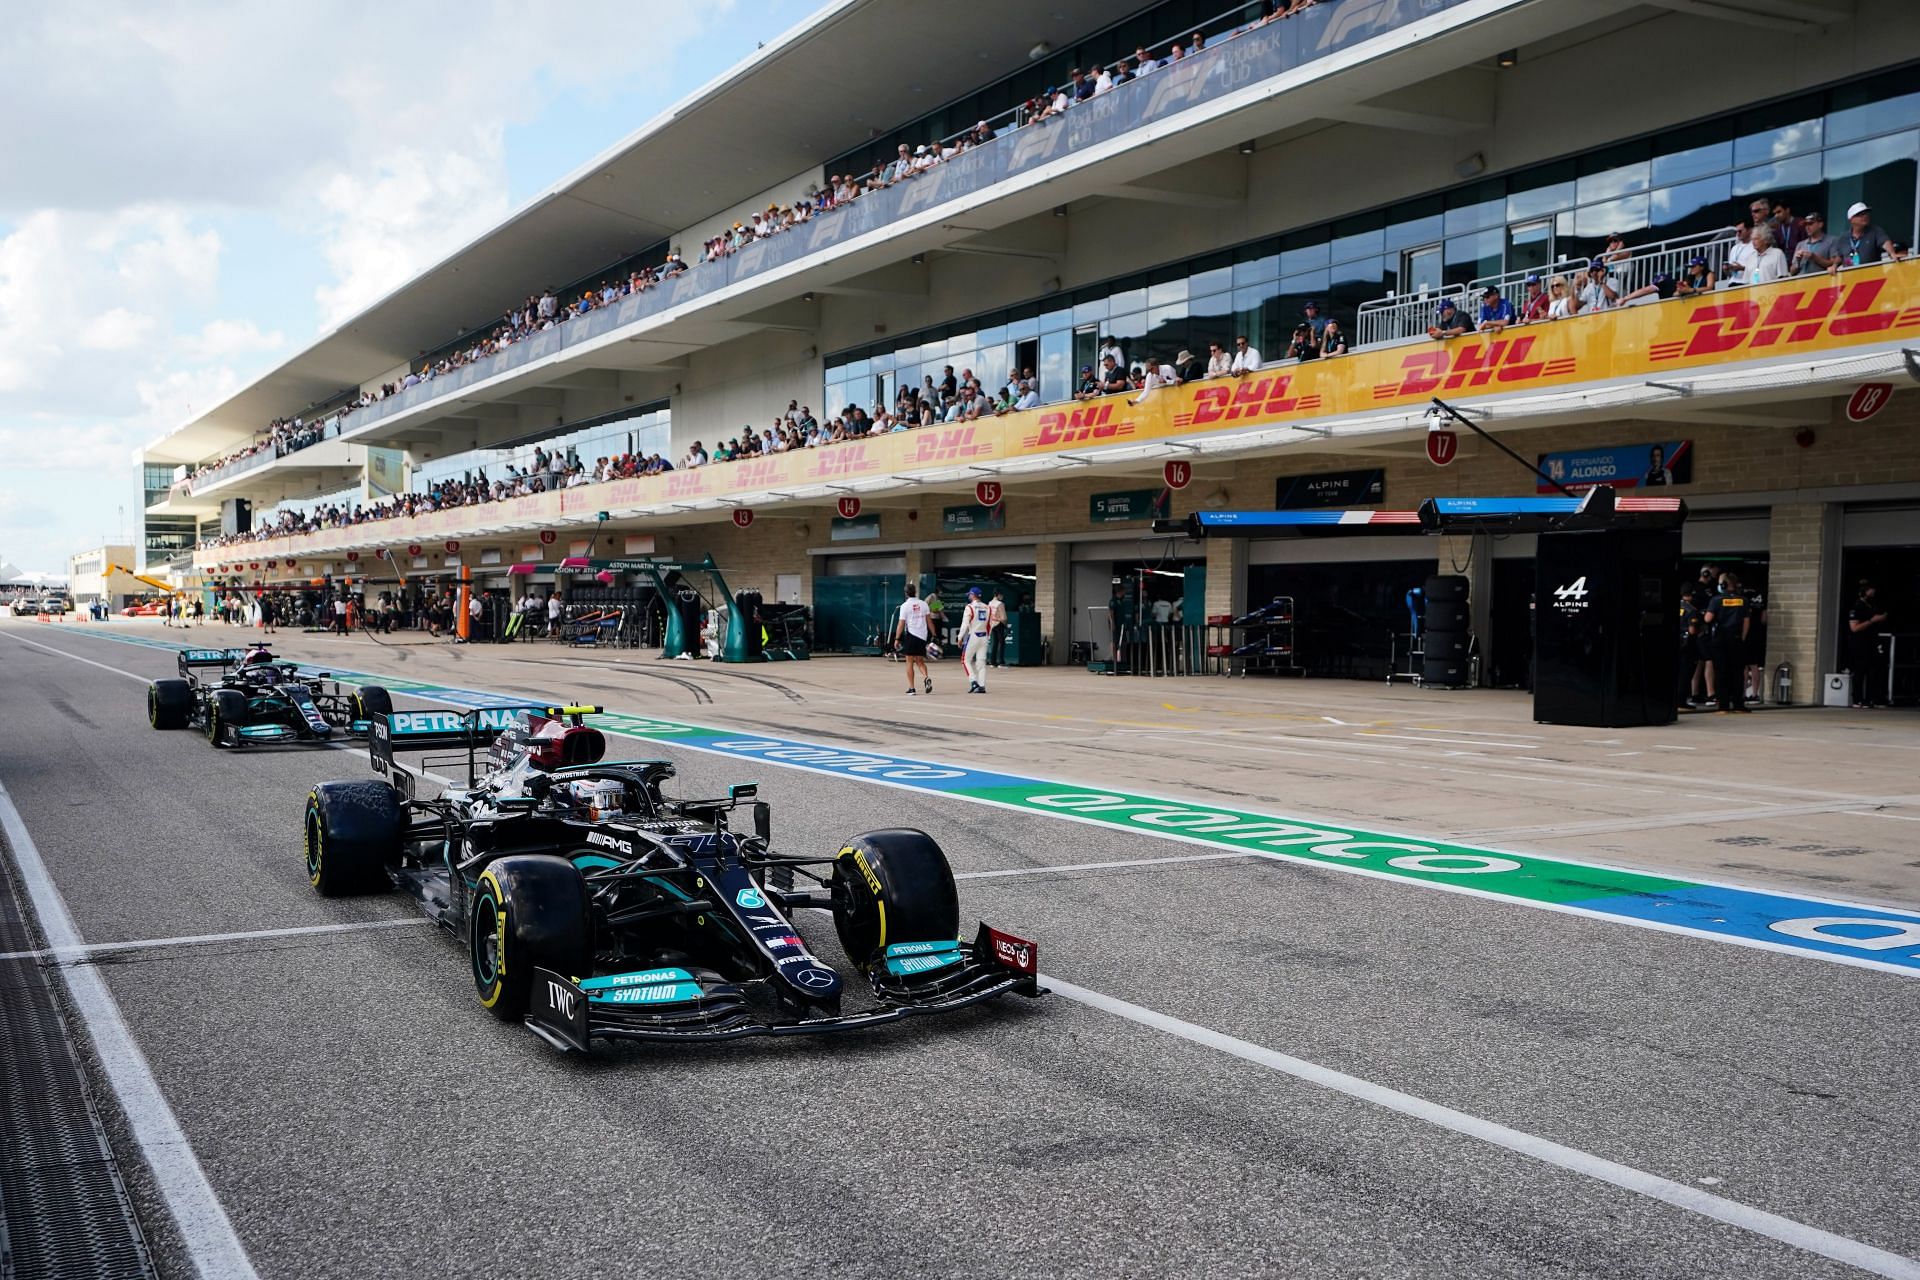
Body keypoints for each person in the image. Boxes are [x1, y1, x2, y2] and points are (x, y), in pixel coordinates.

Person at [1702, 571, 1751, 712]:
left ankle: (1723, 705)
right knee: (1737, 672)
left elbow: (1708, 619)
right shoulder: (1743, 600)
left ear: (1723, 584)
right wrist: (1742, 638)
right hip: (1736, 639)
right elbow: (1746, 622)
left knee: (1721, 671)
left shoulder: (1716, 600)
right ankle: (1738, 704)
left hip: (1720, 638)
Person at [1847, 581, 1890, 707]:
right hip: (1859, 644)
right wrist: (1872, 620)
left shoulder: (1871, 605)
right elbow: (1854, 628)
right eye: (1871, 590)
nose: (1873, 592)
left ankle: (1871, 698)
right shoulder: (1857, 606)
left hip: (1871, 642)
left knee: (1873, 671)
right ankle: (1857, 699)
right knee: (1860, 671)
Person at [894, 581, 933, 695]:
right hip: (922, 636)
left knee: (909, 662)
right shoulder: (923, 604)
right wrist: (934, 634)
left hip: (911, 636)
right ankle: (926, 677)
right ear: (915, 592)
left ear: (906, 593)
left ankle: (912, 688)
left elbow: (901, 624)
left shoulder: (904, 606)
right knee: (920, 661)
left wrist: (897, 638)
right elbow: (929, 621)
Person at [1840, 202, 1897, 266]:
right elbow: (1838, 256)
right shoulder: (1844, 237)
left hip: (1871, 274)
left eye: (1866, 213)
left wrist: (1892, 253)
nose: (1865, 216)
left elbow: (1885, 243)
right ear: (1851, 219)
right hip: (1849, 275)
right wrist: (1834, 265)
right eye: (1860, 214)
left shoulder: (1875, 231)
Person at [959, 587, 993, 693]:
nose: (969, 596)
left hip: (973, 635)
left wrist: (960, 637)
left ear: (973, 595)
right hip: (984, 636)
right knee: (981, 662)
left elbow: (965, 624)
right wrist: (988, 636)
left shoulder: (969, 607)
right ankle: (982, 686)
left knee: (965, 660)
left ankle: (973, 681)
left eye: (970, 594)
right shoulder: (987, 607)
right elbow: (989, 624)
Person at [1793, 210, 1843, 275]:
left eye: (1810, 224)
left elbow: (1834, 263)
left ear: (1820, 224)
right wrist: (1798, 262)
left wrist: (1814, 257)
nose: (1807, 227)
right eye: (1806, 225)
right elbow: (1792, 272)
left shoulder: (1832, 240)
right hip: (1800, 282)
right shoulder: (1800, 244)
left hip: (1821, 282)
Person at [987, 589, 1009, 668]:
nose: (1002, 596)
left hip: (992, 624)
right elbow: (1004, 617)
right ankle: (1001, 662)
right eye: (1001, 595)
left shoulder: (990, 603)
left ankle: (992, 662)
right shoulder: (1000, 604)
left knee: (995, 643)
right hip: (999, 624)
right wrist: (1006, 625)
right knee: (1002, 643)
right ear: (998, 595)